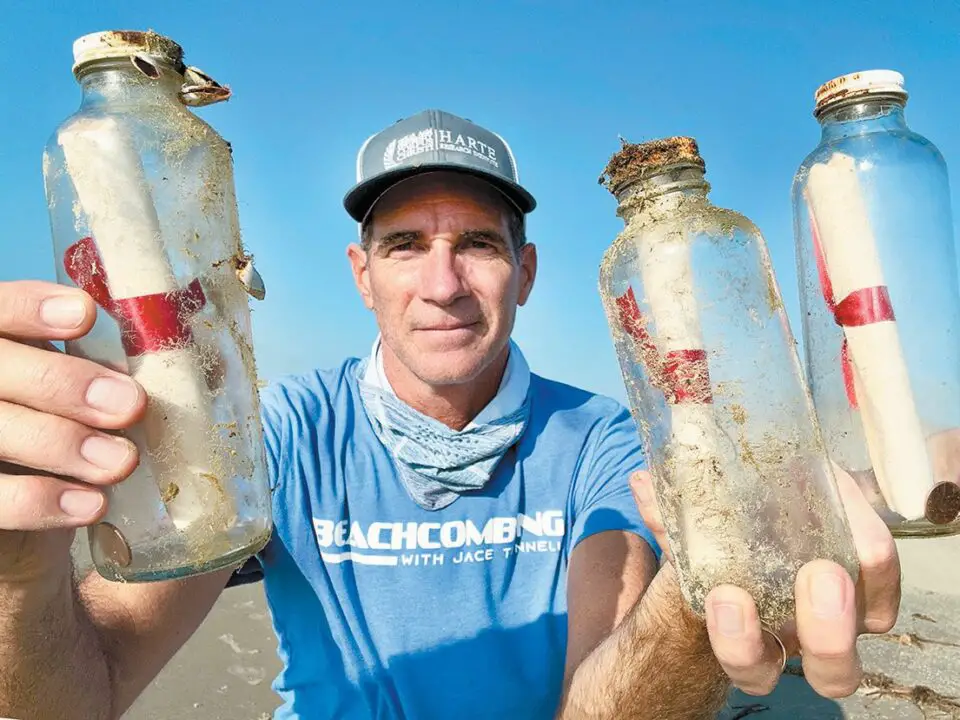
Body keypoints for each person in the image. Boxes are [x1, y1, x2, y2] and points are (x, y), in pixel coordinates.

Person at [0, 109, 899, 720]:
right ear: (361, 275)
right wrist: (19, 577)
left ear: (529, 271)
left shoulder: (604, 441)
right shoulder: (275, 435)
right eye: (404, 246)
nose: (442, 286)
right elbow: (85, 691)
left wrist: (697, 589)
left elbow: (606, 700)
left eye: (476, 243)